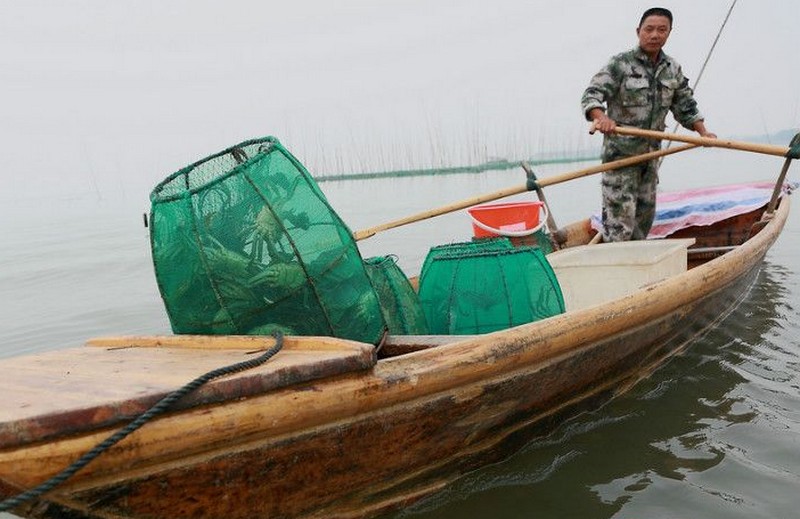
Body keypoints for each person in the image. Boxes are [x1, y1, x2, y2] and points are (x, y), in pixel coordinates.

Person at [581, 7, 717, 242]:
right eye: (649, 29)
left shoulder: (672, 69)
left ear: (669, 33)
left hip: (650, 159)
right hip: (620, 160)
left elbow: (685, 106)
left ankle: (637, 269)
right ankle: (615, 269)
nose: (655, 35)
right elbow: (591, 95)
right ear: (638, 31)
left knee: (642, 223)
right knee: (619, 226)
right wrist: (600, 117)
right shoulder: (620, 64)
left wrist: (704, 133)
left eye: (661, 30)